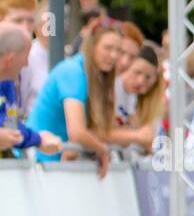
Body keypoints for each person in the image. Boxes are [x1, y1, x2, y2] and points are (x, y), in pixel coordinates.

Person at [27, 20, 120, 176]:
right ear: (92, 46)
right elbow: (76, 132)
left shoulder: (91, 75)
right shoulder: (73, 71)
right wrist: (102, 149)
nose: (113, 55)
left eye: (118, 50)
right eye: (108, 48)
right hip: (37, 161)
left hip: (52, 163)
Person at [0, 23, 62, 156]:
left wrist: (38, 139)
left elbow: (11, 127)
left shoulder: (8, 83)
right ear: (10, 60)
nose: (26, 64)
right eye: (26, 56)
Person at [108, 45, 166, 151]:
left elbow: (146, 135)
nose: (140, 81)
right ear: (127, 67)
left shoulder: (134, 96)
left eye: (148, 77)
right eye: (137, 72)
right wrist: (137, 135)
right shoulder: (112, 89)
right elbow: (102, 132)